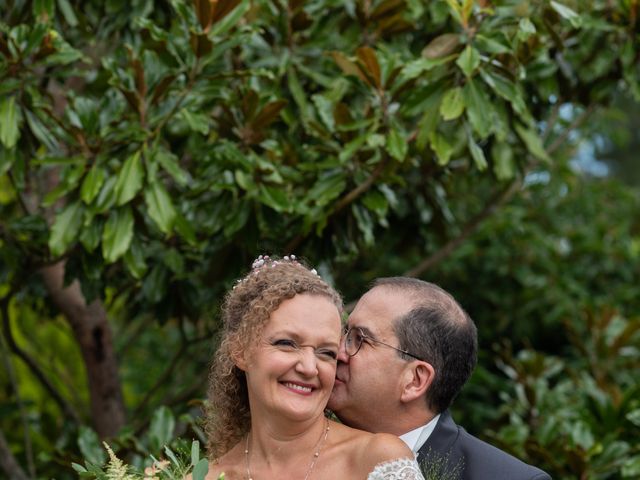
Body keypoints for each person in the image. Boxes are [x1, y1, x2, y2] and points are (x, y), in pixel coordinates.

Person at [204, 257, 425, 480]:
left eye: (327, 353)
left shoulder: (375, 459)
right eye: (287, 344)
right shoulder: (208, 477)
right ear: (240, 350)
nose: (309, 368)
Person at [328, 277, 551, 480]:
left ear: (415, 380)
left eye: (360, 340)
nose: (337, 352)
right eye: (345, 332)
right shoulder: (302, 437)